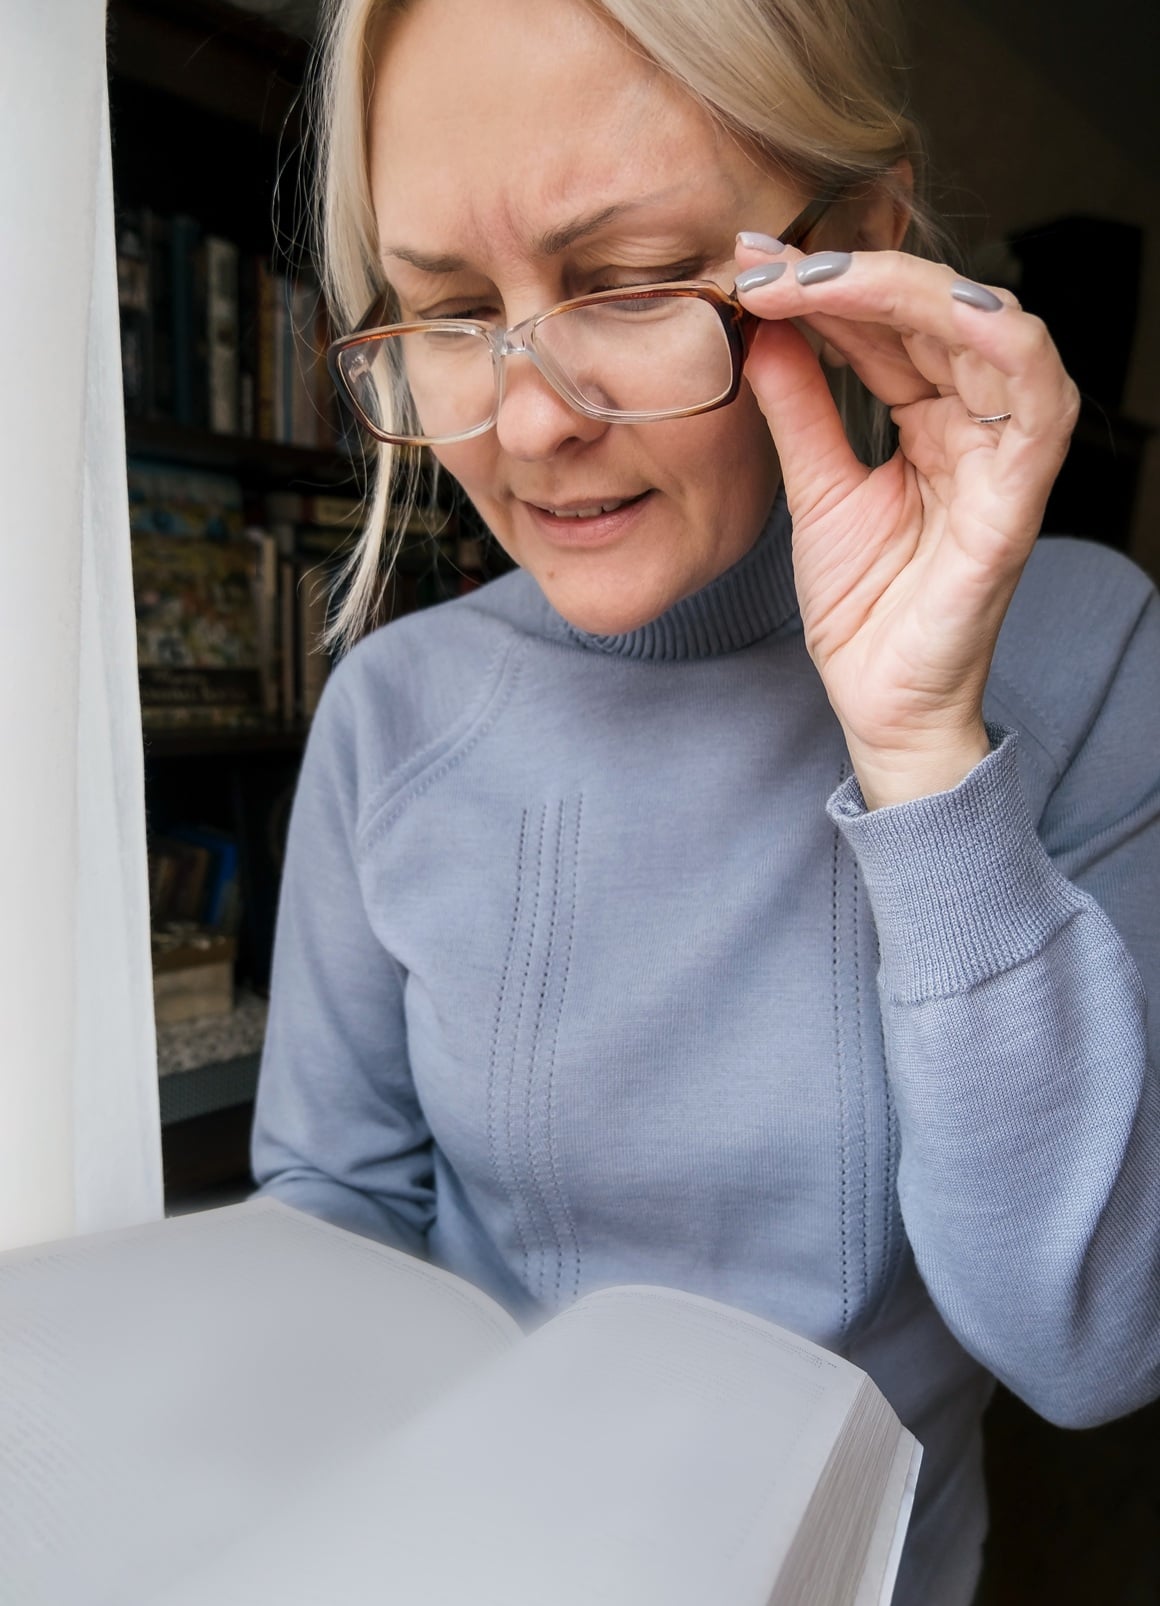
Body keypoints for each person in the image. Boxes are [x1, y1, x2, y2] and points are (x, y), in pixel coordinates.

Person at [251, 0, 1160, 1599]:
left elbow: (1091, 1342)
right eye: (449, 310)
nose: (529, 420)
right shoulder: (394, 714)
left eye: (623, 283)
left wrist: (924, 749)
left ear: (861, 248)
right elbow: (331, 1206)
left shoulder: (1092, 651)